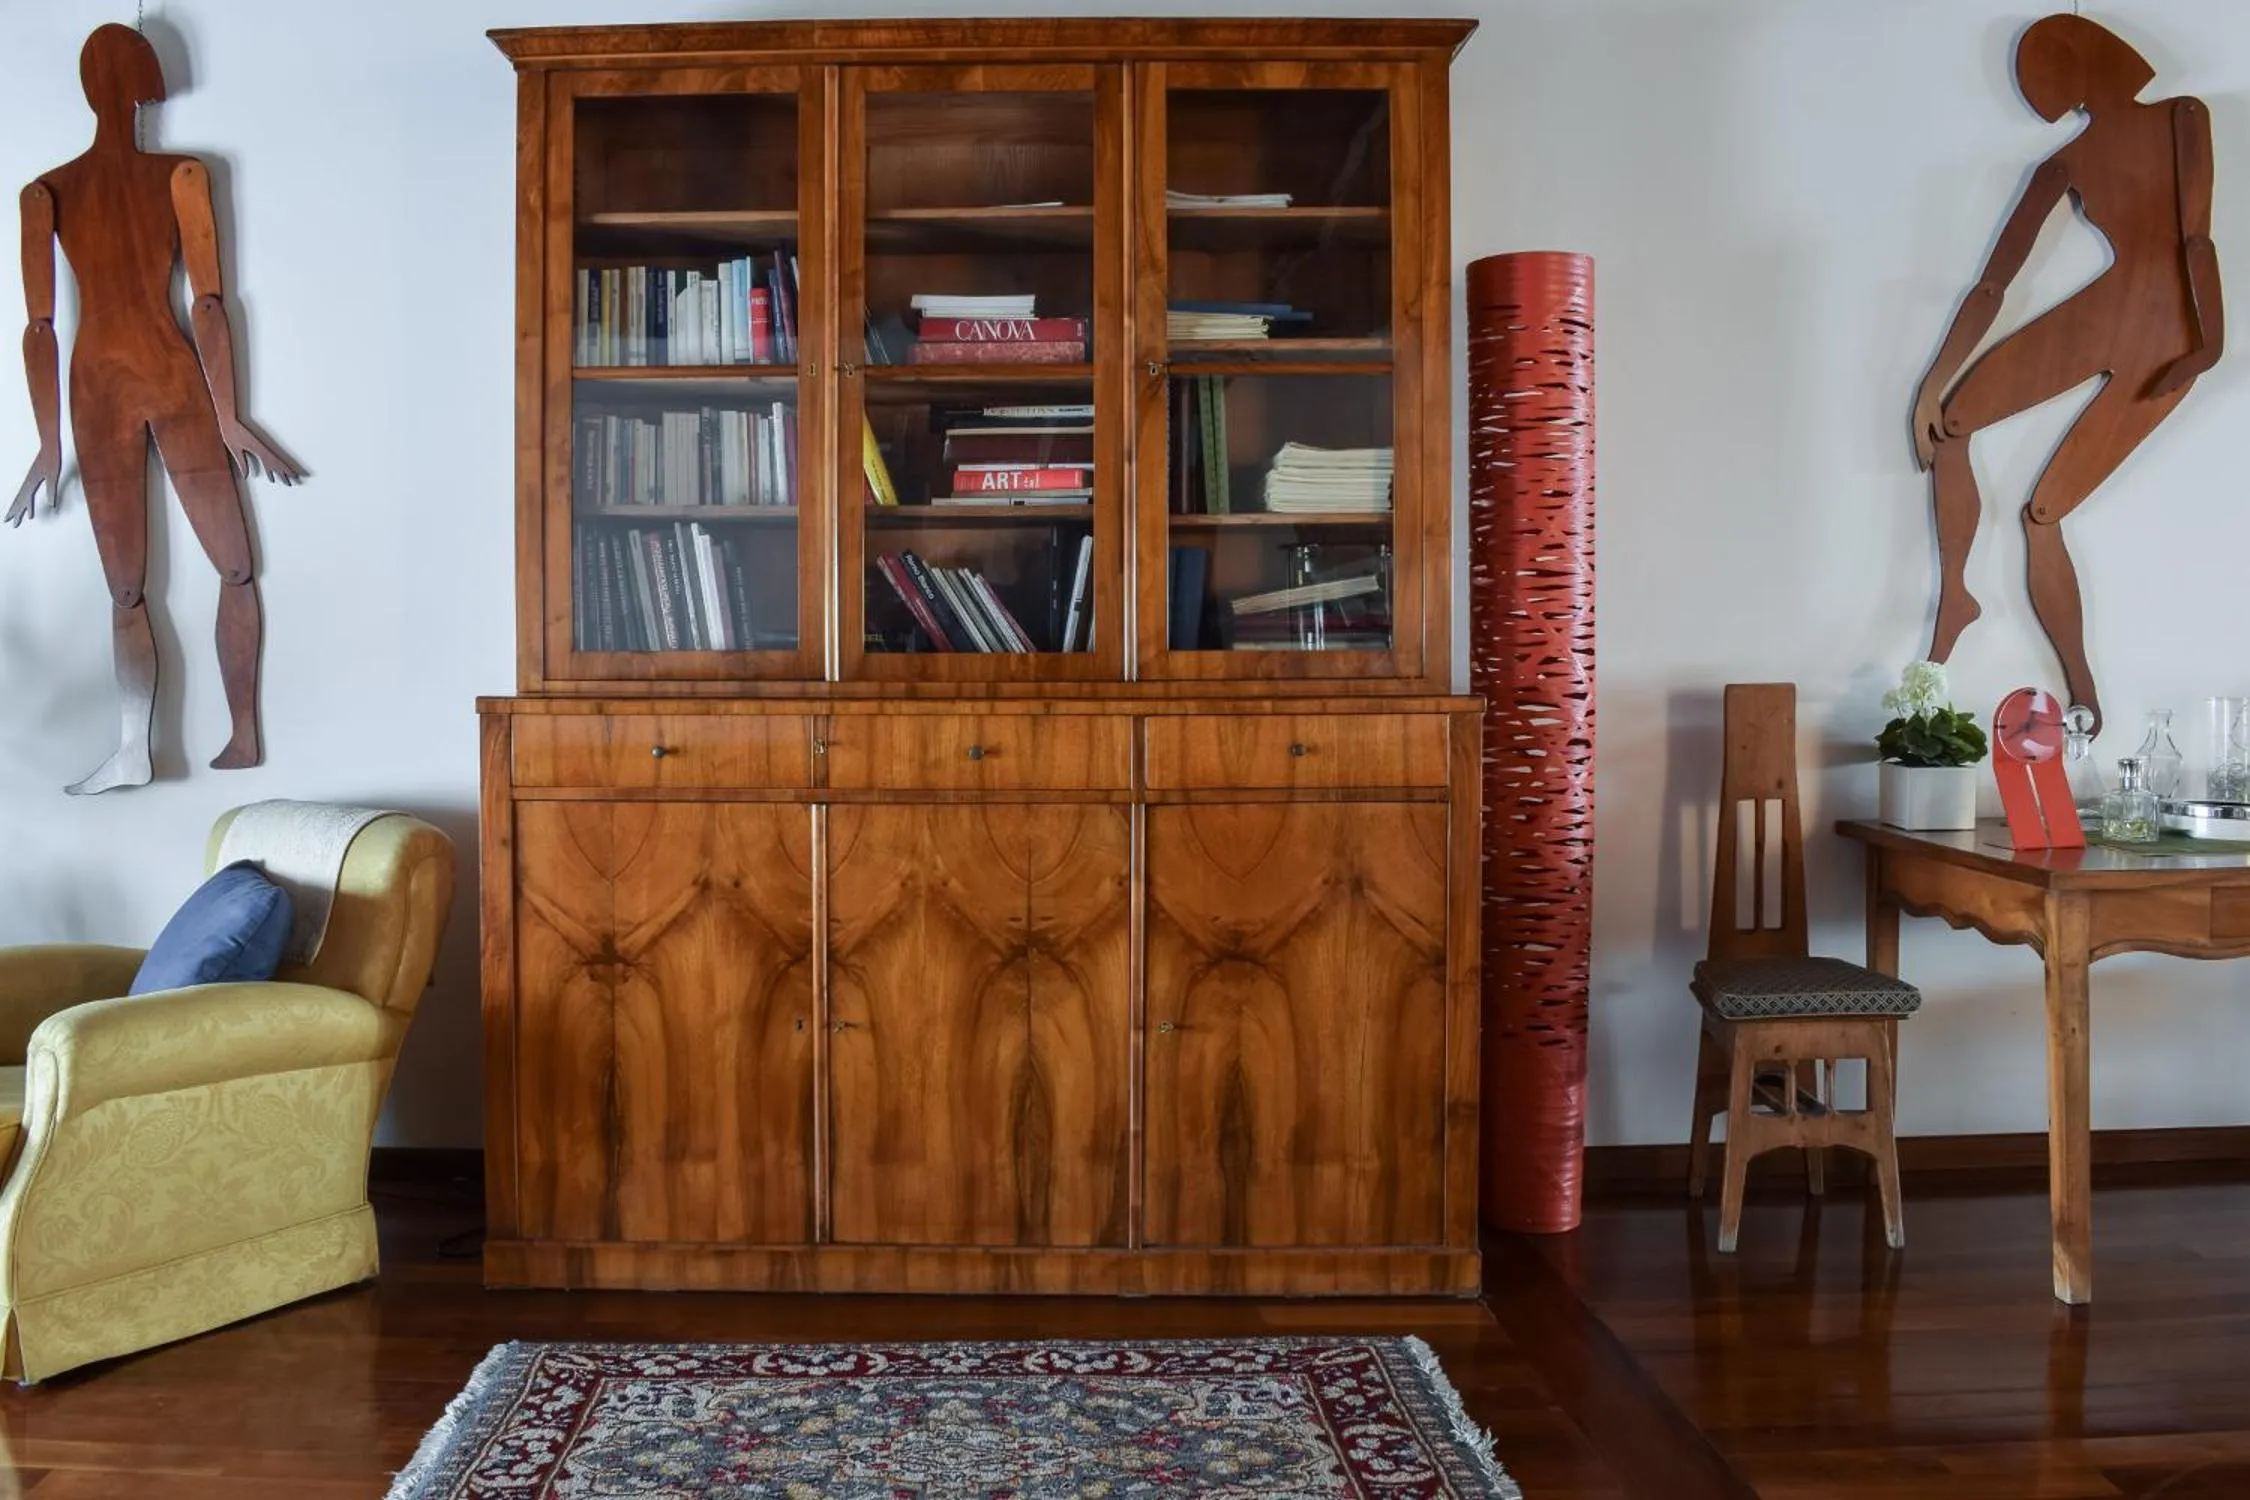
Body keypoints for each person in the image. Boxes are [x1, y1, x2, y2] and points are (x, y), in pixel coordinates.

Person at [10, 24, 301, 794]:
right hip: (140, 378)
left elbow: (45, 327)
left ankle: (227, 735)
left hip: (114, 379)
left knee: (180, 575)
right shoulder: (120, 183)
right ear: (138, 86)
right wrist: (47, 444)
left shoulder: (63, 188)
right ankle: (150, 745)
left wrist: (49, 441)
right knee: (204, 572)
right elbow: (204, 303)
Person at [1912, 15, 2221, 734]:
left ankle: (2081, 690)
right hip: (2107, 312)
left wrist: (2210, 343)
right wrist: (1935, 381)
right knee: (1952, 423)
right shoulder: (2064, 162)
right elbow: (1992, 284)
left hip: (2167, 338)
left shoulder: (2184, 118)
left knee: (2042, 513)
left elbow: (2197, 238)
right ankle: (1957, 596)